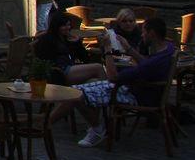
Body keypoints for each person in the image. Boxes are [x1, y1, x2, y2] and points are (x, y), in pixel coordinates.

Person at [60, 17, 175, 148]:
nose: (142, 35)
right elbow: (146, 63)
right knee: (79, 89)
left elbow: (112, 77)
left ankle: (97, 129)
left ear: (152, 33)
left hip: (134, 94)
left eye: (144, 32)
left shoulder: (153, 63)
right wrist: (129, 48)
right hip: (142, 89)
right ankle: (46, 123)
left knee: (75, 94)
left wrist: (108, 49)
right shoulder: (168, 49)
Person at [33, 12, 103, 84]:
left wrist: (77, 43)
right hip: (59, 71)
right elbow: (44, 59)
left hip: (70, 67)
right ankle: (111, 92)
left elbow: (85, 59)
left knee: (94, 80)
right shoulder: (48, 39)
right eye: (64, 26)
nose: (67, 28)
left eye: (69, 25)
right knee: (98, 67)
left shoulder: (67, 38)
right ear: (56, 26)